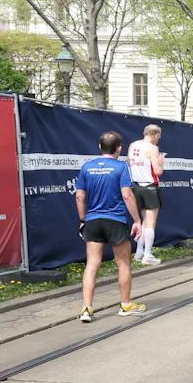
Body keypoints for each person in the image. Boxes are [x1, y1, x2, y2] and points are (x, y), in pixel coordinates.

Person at [75, 131, 146, 324]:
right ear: (119, 148)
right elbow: (127, 196)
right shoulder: (121, 168)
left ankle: (87, 309)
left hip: (93, 221)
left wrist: (83, 219)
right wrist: (137, 221)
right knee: (123, 264)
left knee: (92, 265)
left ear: (100, 147)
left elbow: (80, 196)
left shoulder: (87, 168)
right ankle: (125, 305)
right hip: (116, 221)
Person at [126, 123, 164, 266]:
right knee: (150, 223)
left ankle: (139, 252)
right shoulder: (153, 148)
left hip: (135, 186)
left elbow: (129, 163)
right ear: (156, 135)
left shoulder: (132, 145)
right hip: (149, 187)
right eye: (158, 137)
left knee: (140, 221)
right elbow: (158, 171)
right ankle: (147, 255)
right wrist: (160, 162)